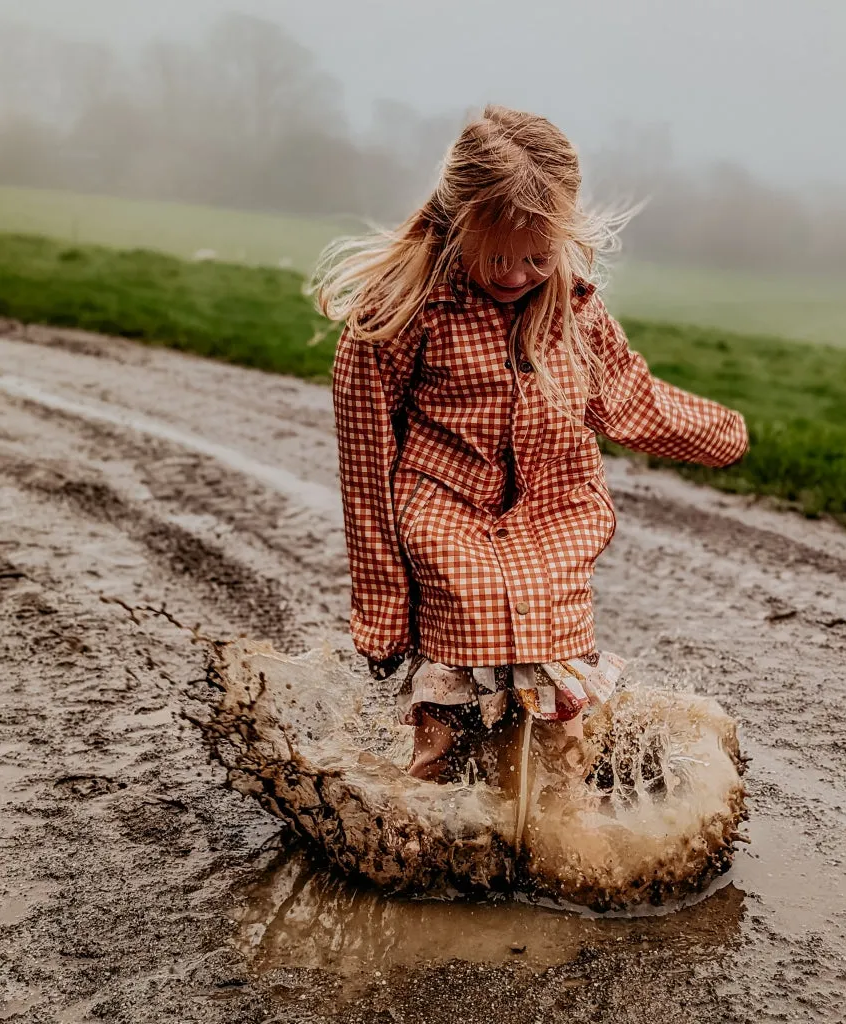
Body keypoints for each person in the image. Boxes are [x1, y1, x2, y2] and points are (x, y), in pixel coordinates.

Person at [315, 105, 748, 782]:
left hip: (554, 526)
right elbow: (366, 468)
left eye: (537, 257)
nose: (517, 274)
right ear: (457, 225)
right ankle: (423, 815)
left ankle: (562, 820)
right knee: (449, 710)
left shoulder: (576, 313)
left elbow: (632, 400)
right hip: (448, 524)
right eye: (496, 256)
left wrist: (723, 433)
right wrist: (381, 607)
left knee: (556, 723)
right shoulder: (401, 313)